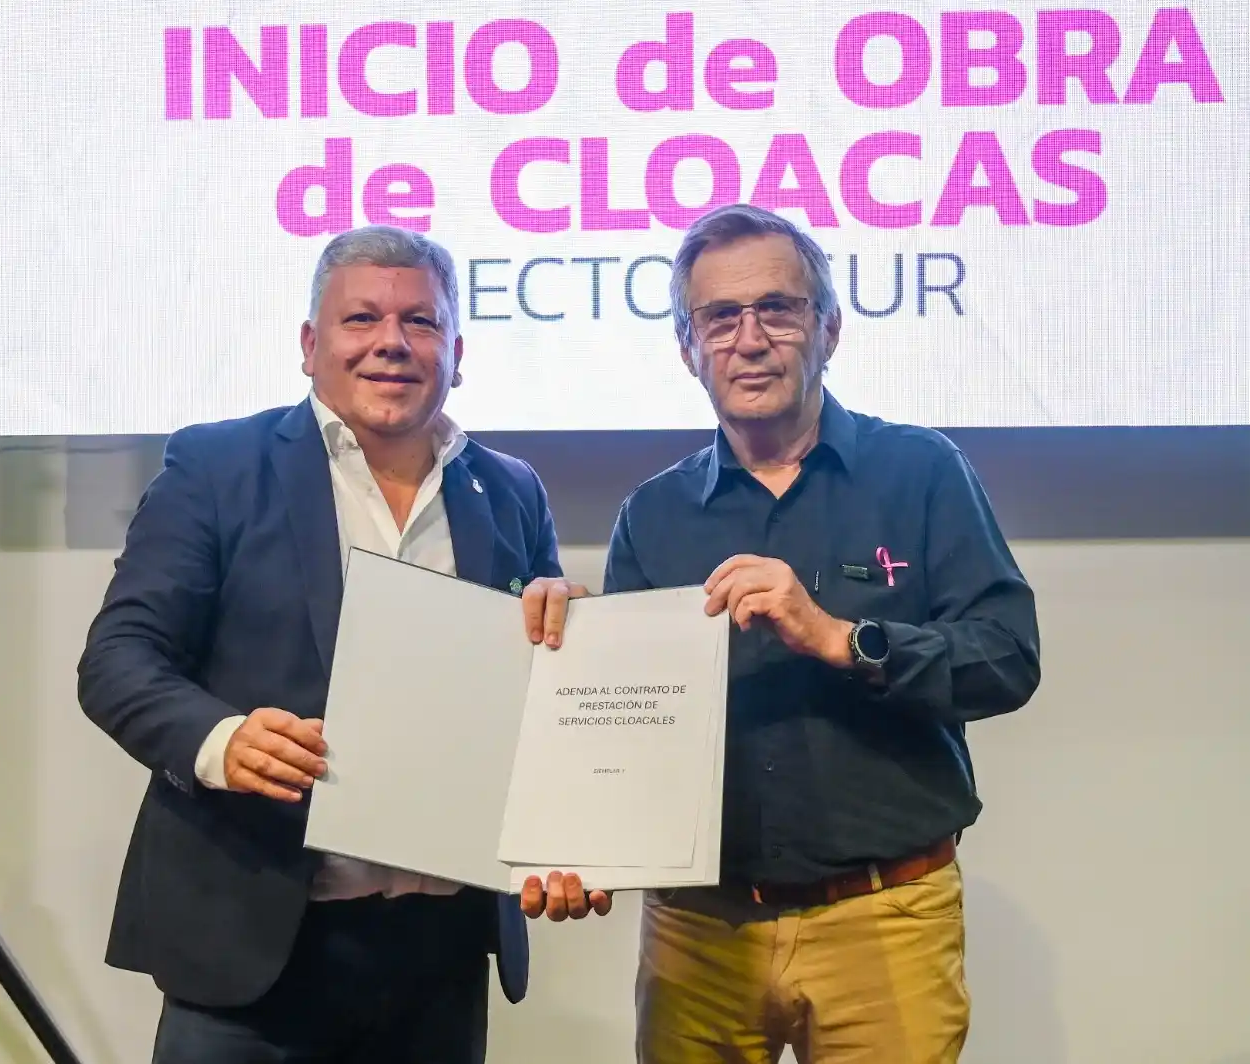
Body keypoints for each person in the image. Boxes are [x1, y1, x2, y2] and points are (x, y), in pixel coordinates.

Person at [77, 224, 608, 1064]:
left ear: (456, 350)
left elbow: (537, 702)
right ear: (308, 344)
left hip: (438, 956)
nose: (390, 343)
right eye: (361, 319)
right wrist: (221, 740)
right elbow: (119, 660)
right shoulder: (217, 466)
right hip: (252, 949)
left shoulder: (508, 490)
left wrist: (569, 800)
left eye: (420, 322)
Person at [592, 204, 1040, 1062]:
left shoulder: (921, 472)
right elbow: (623, 732)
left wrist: (845, 638)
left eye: (777, 309)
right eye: (718, 317)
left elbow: (1008, 656)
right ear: (687, 347)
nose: (748, 338)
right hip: (701, 929)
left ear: (828, 327)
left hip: (884, 915)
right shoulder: (651, 516)